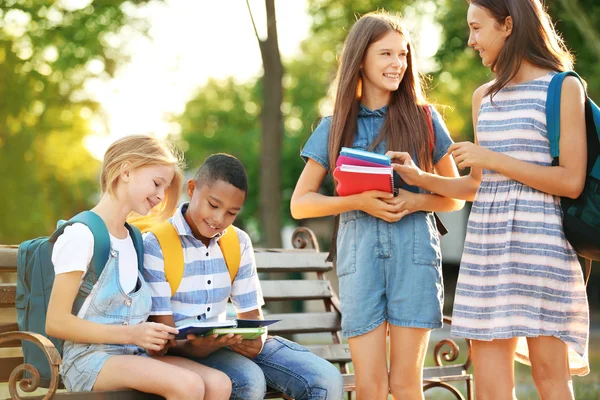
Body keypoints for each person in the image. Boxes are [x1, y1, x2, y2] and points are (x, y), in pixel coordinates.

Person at [388, 1, 590, 398]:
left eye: (477, 28)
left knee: (551, 380)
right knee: (489, 388)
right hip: (487, 252)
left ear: (508, 24)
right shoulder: (484, 97)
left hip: (543, 250)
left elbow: (571, 181)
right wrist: (421, 178)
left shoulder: (564, 87)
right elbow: (477, 186)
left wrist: (492, 159)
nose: (471, 40)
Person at [290, 11, 463, 400]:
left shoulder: (425, 119)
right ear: (361, 58)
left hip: (415, 258)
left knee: (405, 386)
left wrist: (416, 196)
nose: (397, 63)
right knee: (370, 387)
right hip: (360, 261)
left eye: (403, 55)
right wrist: (359, 201)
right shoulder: (333, 126)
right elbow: (300, 204)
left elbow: (455, 194)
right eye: (386, 54)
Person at [142, 153, 344, 400]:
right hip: (182, 352)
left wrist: (254, 342)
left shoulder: (238, 241)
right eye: (213, 205)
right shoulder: (156, 244)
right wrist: (197, 347)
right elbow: (163, 339)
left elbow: (251, 319)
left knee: (326, 379)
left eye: (231, 213)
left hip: (225, 343)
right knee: (248, 380)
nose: (219, 219)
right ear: (192, 189)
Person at [46, 135, 232, 400]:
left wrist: (154, 339)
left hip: (131, 354)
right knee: (188, 386)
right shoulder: (81, 235)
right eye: (157, 183)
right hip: (88, 360)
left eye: (165, 189)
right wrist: (132, 334)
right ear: (126, 170)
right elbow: (56, 322)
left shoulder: (135, 240)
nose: (160, 196)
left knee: (219, 384)